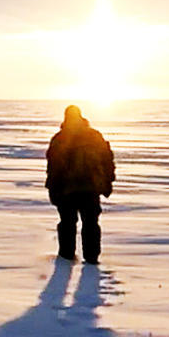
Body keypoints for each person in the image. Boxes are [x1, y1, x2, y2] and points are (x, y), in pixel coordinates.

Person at [46, 105, 115, 264]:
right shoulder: (94, 136)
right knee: (89, 224)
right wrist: (107, 182)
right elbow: (108, 161)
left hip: (70, 190)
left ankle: (67, 257)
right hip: (87, 189)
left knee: (69, 224)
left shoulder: (60, 138)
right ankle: (90, 258)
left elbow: (52, 168)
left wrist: (53, 189)